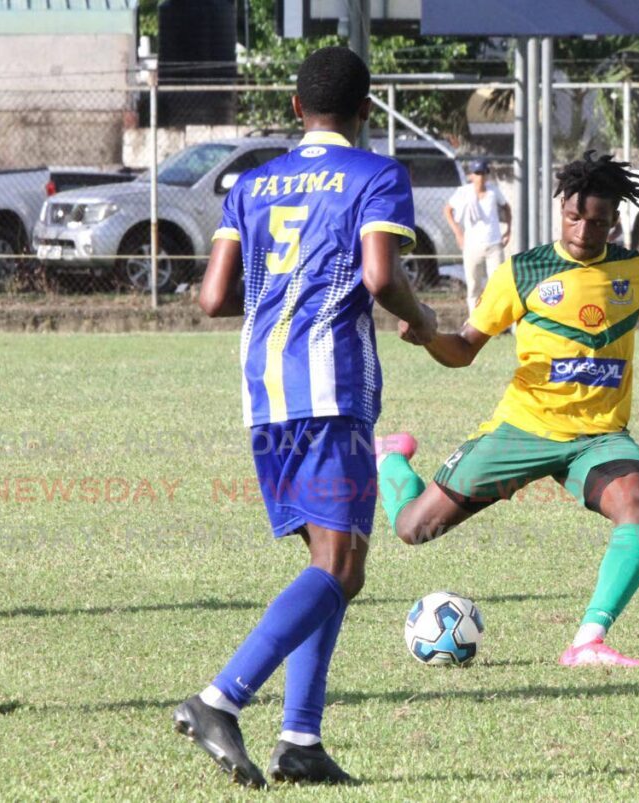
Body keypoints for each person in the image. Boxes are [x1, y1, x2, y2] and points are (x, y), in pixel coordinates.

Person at [376, 152, 639, 667]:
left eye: (596, 221)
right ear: (561, 210)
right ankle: (390, 457)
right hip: (523, 429)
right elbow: (463, 350)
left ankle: (587, 641)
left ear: (614, 220)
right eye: (574, 217)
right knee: (415, 529)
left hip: (598, 439)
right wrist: (429, 337)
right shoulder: (523, 272)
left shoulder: (636, 273)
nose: (582, 230)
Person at [172, 47, 436, 789]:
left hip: (265, 390)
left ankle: (301, 739)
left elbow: (214, 297)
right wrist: (422, 320)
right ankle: (221, 697)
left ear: (296, 107)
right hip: (330, 388)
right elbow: (382, 276)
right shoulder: (376, 175)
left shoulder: (251, 184)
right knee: (343, 566)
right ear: (366, 106)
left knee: (330, 568)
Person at [444, 158, 512, 311]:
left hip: (493, 244)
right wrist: (458, 233)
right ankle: (475, 321)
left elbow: (506, 207)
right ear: (471, 176)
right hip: (472, 246)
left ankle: (495, 319)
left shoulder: (493, 191)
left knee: (497, 284)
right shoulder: (464, 192)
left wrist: (508, 230)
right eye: (477, 173)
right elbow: (447, 210)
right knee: (473, 285)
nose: (481, 177)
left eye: (483, 173)